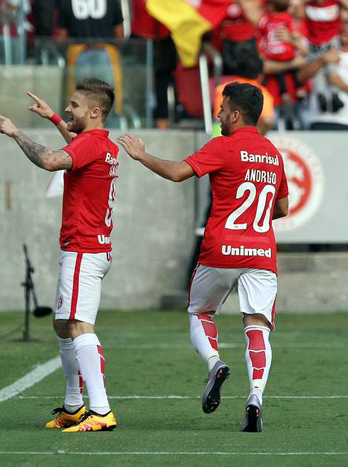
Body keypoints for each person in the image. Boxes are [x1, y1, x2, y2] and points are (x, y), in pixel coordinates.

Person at [118, 82, 290, 433]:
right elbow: (283, 208)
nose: (218, 114)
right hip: (260, 253)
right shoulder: (273, 153)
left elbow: (178, 172)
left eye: (223, 109)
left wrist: (141, 155)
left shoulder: (223, 146)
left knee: (200, 310)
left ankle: (214, 363)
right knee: (257, 326)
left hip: (220, 249)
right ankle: (255, 396)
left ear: (236, 114)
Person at [0, 78, 119, 432]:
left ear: (94, 112)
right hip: (90, 247)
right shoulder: (101, 143)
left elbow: (50, 161)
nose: (67, 109)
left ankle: (101, 410)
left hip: (84, 249)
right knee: (63, 324)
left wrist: (16, 133)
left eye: (74, 106)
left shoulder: (90, 144)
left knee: (79, 325)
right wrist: (52, 117)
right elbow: (78, 145)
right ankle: (75, 405)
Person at [299, 13, 348, 130]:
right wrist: (323, 60)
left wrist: (340, 84)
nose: (346, 28)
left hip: (346, 120)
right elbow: (301, 76)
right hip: (317, 118)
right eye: (346, 23)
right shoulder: (321, 49)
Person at [212, 50, 275, 135]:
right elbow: (267, 121)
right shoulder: (261, 93)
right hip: (244, 140)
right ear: (260, 74)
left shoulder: (222, 88)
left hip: (219, 135)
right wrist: (256, 136)